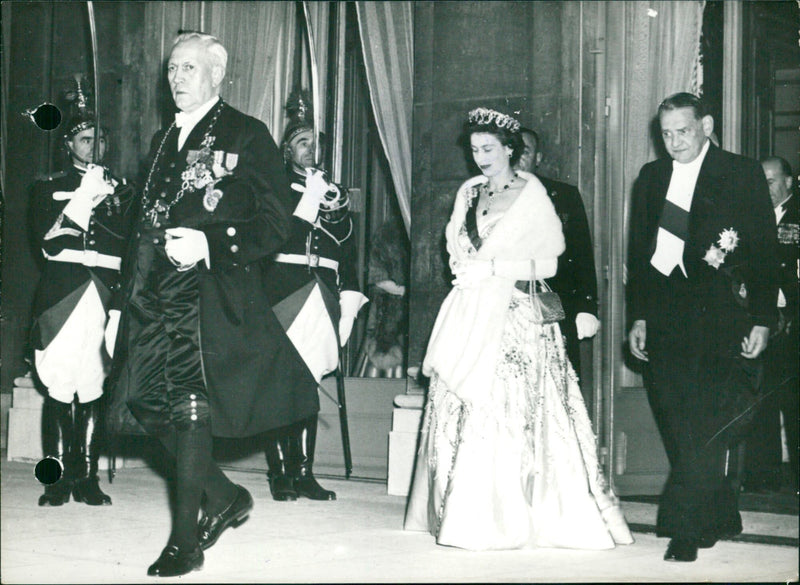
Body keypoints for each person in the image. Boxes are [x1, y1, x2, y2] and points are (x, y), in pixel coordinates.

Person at [106, 32, 316, 577]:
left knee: (188, 406)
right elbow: (139, 229)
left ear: (217, 75)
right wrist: (117, 305)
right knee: (144, 400)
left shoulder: (247, 134)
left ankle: (184, 542)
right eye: (172, 68)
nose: (177, 78)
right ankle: (222, 496)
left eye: (189, 68)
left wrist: (211, 244)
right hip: (151, 293)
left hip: (207, 292)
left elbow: (277, 224)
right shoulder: (160, 141)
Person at [404, 107, 633, 551]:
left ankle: (514, 513)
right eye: (474, 150)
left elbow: (549, 260)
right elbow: (456, 248)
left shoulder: (533, 194)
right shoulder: (469, 193)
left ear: (511, 150)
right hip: (471, 309)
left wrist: (493, 268)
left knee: (508, 406)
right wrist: (468, 270)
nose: (481, 158)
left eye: (489, 149)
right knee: (461, 400)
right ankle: (463, 510)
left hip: (516, 313)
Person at [627, 92, 778, 562]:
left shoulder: (740, 172)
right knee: (676, 418)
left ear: (707, 125)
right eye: (666, 133)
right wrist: (640, 315)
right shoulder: (651, 178)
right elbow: (640, 255)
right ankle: (719, 511)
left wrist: (762, 319)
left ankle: (684, 528)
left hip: (720, 316)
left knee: (706, 419)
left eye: (683, 131)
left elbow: (764, 253)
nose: (674, 142)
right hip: (666, 315)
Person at [29, 81, 135, 508]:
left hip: (105, 293)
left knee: (93, 385)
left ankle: (86, 477)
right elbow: (49, 244)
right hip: (63, 292)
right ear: (69, 144)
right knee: (59, 385)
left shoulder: (124, 189)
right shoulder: (46, 186)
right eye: (85, 139)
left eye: (100, 139)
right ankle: (55, 480)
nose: (94, 146)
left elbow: (130, 247)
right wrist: (84, 198)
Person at [260, 93, 367, 502]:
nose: (312, 150)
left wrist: (350, 307)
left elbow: (348, 251)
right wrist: (309, 196)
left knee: (307, 384)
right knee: (278, 384)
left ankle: (303, 472)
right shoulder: (275, 187)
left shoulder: (332, 192)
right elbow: (280, 236)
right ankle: (280, 473)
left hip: (324, 293)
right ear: (287, 150)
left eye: (316, 143)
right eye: (303, 142)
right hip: (283, 289)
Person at [515, 127, 599, 395]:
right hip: (506, 304)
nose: (517, 156)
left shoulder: (563, 196)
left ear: (537, 157)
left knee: (556, 380)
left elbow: (582, 254)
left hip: (552, 301)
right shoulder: (488, 196)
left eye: (524, 151)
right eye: (511, 148)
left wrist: (587, 307)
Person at [742, 156, 798, 493]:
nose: (766, 188)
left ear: (789, 182)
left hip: (793, 322)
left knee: (794, 401)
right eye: (760, 181)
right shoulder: (752, 217)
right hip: (760, 322)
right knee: (760, 399)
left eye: (773, 181)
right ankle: (763, 477)